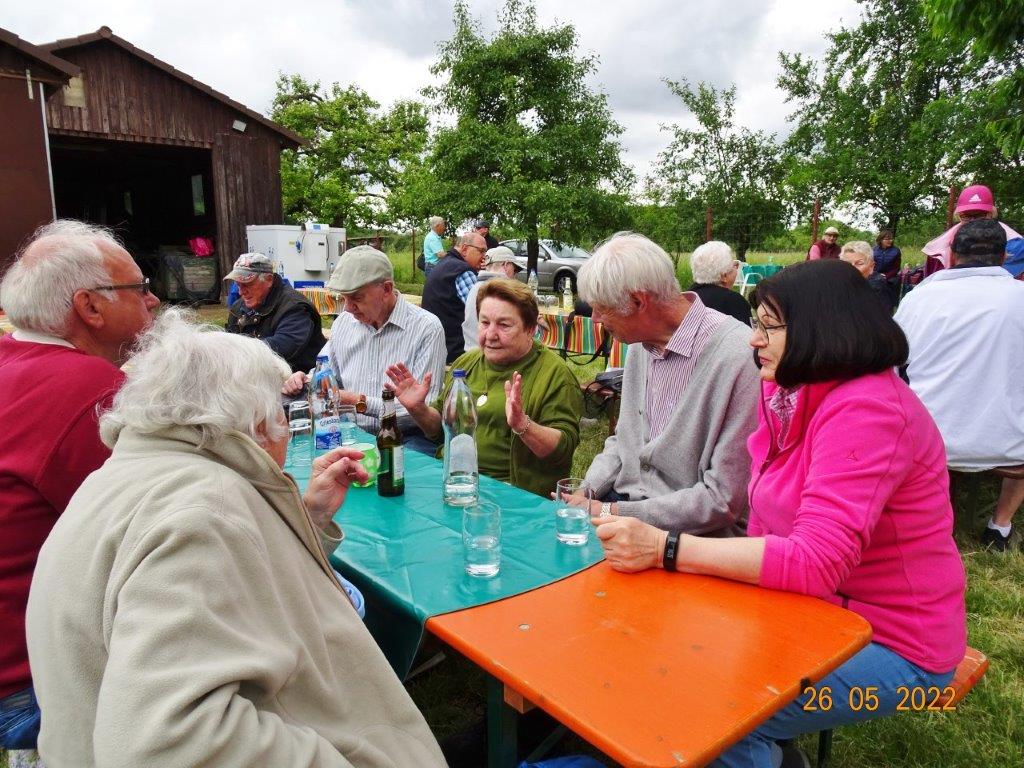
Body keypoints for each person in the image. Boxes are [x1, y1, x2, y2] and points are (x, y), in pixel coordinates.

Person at [25, 310, 448, 768]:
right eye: (281, 413)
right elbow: (168, 742)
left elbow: (235, 582)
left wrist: (311, 517)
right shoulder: (202, 511)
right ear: (258, 425)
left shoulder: (128, 475)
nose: (285, 427)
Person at [593, 259, 967, 768]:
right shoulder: (788, 391)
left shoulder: (869, 410)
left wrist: (666, 548)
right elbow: (768, 521)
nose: (753, 339)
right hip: (808, 611)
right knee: (665, 654)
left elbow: (815, 562)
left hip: (895, 645)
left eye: (769, 327)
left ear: (820, 329)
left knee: (712, 706)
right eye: (756, 324)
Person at [0, 220, 159, 756]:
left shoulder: (10, 359)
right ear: (89, 307)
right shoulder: (91, 392)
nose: (153, 300)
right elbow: (162, 525)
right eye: (139, 288)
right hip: (29, 681)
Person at [576, 232, 758, 534]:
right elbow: (624, 441)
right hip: (622, 509)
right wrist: (585, 492)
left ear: (638, 301)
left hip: (691, 537)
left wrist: (610, 511)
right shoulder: (641, 343)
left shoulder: (739, 356)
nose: (594, 318)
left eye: (601, 308)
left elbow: (722, 500)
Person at [895, 219, 1024, 551]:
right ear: (1003, 257)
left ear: (951, 255)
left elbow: (895, 362)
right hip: (1010, 443)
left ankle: (933, 517)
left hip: (929, 438)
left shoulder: (920, 298)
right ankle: (1000, 526)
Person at [387, 278, 582, 497]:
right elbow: (439, 432)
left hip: (512, 493)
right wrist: (418, 409)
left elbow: (561, 452)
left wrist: (523, 425)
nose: (490, 334)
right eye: (485, 322)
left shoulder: (555, 375)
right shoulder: (466, 364)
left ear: (530, 329)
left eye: (504, 325)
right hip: (455, 482)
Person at [282, 246, 446, 455]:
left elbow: (423, 411)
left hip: (406, 437)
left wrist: (358, 402)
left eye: (356, 298)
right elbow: (326, 373)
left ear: (386, 289)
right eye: (344, 298)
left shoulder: (426, 328)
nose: (347, 308)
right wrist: (304, 380)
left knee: (395, 471)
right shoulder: (344, 322)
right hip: (351, 432)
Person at [224, 252, 326, 372]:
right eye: (238, 284)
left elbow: (282, 348)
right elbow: (228, 341)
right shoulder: (238, 307)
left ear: (269, 280)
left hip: (297, 377)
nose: (241, 292)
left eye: (248, 284)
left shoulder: (295, 307)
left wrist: (235, 350)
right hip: (255, 374)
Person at [921, 184, 1022, 275]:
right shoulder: (939, 248)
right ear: (958, 216)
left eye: (980, 215)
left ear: (992, 213)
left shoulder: (1016, 245)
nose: (973, 221)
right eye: (966, 216)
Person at [422, 231, 488, 364]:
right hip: (457, 351)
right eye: (481, 251)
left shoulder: (446, 264)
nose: (484, 257)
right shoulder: (463, 271)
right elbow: (484, 310)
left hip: (436, 346)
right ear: (464, 249)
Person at [463, 245, 524, 351]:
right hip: (491, 352)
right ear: (506, 265)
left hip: (470, 352)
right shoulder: (503, 290)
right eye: (515, 270)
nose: (515, 275)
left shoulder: (475, 287)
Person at [687, 240, 752, 325]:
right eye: (734, 266)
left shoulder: (687, 297)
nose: (736, 269)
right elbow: (747, 332)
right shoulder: (734, 302)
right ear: (724, 276)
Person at [840, 240, 894, 312]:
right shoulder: (838, 283)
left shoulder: (877, 289)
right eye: (847, 264)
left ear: (871, 266)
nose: (852, 268)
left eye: (859, 263)